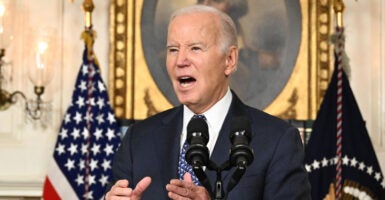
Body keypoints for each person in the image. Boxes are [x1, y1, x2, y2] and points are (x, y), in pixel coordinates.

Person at [105, 5, 311, 200]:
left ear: (229, 59)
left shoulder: (277, 141)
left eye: (195, 48)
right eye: (173, 49)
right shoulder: (138, 139)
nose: (180, 61)